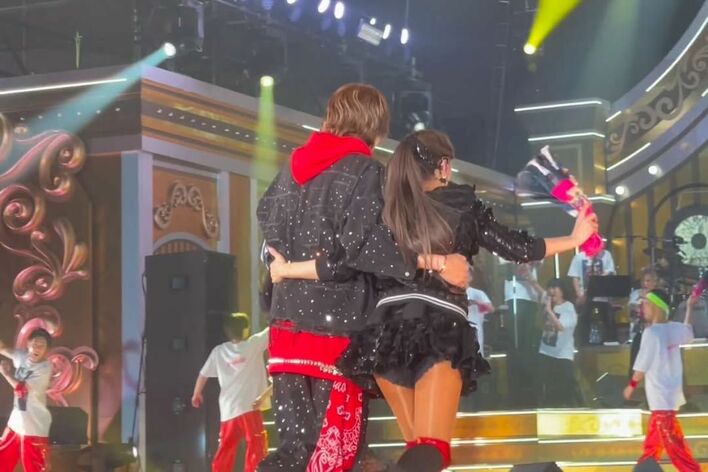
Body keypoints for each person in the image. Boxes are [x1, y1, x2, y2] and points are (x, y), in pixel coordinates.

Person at [274, 129, 596, 471]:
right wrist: (574, 239)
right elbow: (517, 247)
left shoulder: (387, 207)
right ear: (443, 166)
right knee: (431, 451)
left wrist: (285, 269)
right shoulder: (461, 204)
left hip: (383, 336)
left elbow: (345, 260)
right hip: (435, 329)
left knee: (420, 451)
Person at [256, 84, 470, 472]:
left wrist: (285, 267)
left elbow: (266, 222)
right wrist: (436, 262)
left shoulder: (289, 170)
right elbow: (364, 250)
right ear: (377, 126)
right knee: (335, 455)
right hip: (336, 334)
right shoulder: (365, 171)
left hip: (284, 331)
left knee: (294, 453)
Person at [624, 289, 700, 471]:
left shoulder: (652, 333)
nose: (643, 308)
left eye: (646, 304)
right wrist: (689, 307)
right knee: (652, 447)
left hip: (660, 398)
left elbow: (641, 366)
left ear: (656, 307)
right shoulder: (673, 328)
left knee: (676, 449)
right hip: (668, 397)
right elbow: (688, 332)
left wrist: (631, 387)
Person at [192, 313, 271, 472]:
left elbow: (203, 374)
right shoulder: (253, 344)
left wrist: (196, 394)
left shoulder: (219, 351)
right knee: (256, 443)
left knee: (226, 447)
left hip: (228, 409)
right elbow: (272, 329)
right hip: (250, 406)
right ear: (244, 330)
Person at [0, 329, 53, 472]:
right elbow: (3, 348)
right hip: (16, 423)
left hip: (34, 427)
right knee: (2, 462)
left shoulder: (45, 368)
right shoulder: (22, 357)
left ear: (46, 350)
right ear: (28, 344)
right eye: (34, 344)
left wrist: (6, 374)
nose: (37, 348)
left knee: (34, 468)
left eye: (41, 346)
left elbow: (22, 390)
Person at [537, 278, 582, 407]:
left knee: (566, 388)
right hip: (545, 351)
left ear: (562, 291)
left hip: (563, 354)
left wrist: (550, 311)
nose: (551, 291)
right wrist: (543, 310)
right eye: (549, 288)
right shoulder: (548, 305)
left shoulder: (568, 307)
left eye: (554, 288)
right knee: (545, 385)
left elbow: (561, 327)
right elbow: (539, 325)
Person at [568, 248, 616, 344]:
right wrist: (580, 295)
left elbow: (611, 272)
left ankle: (610, 343)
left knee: (608, 321)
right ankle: (583, 345)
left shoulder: (606, 254)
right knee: (584, 321)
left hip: (603, 296)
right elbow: (575, 277)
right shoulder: (579, 257)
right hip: (585, 296)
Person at [627, 269, 659, 376]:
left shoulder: (659, 295)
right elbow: (631, 313)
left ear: (655, 282)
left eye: (649, 281)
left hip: (655, 334)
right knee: (635, 364)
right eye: (643, 281)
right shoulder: (635, 294)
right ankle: (632, 383)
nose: (645, 284)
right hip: (639, 332)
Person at [466, 269, 494, 358]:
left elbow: (491, 309)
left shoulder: (477, 293)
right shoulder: (453, 292)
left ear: (471, 277)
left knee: (476, 355)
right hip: (459, 330)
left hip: (475, 329)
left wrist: (476, 302)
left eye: (467, 274)